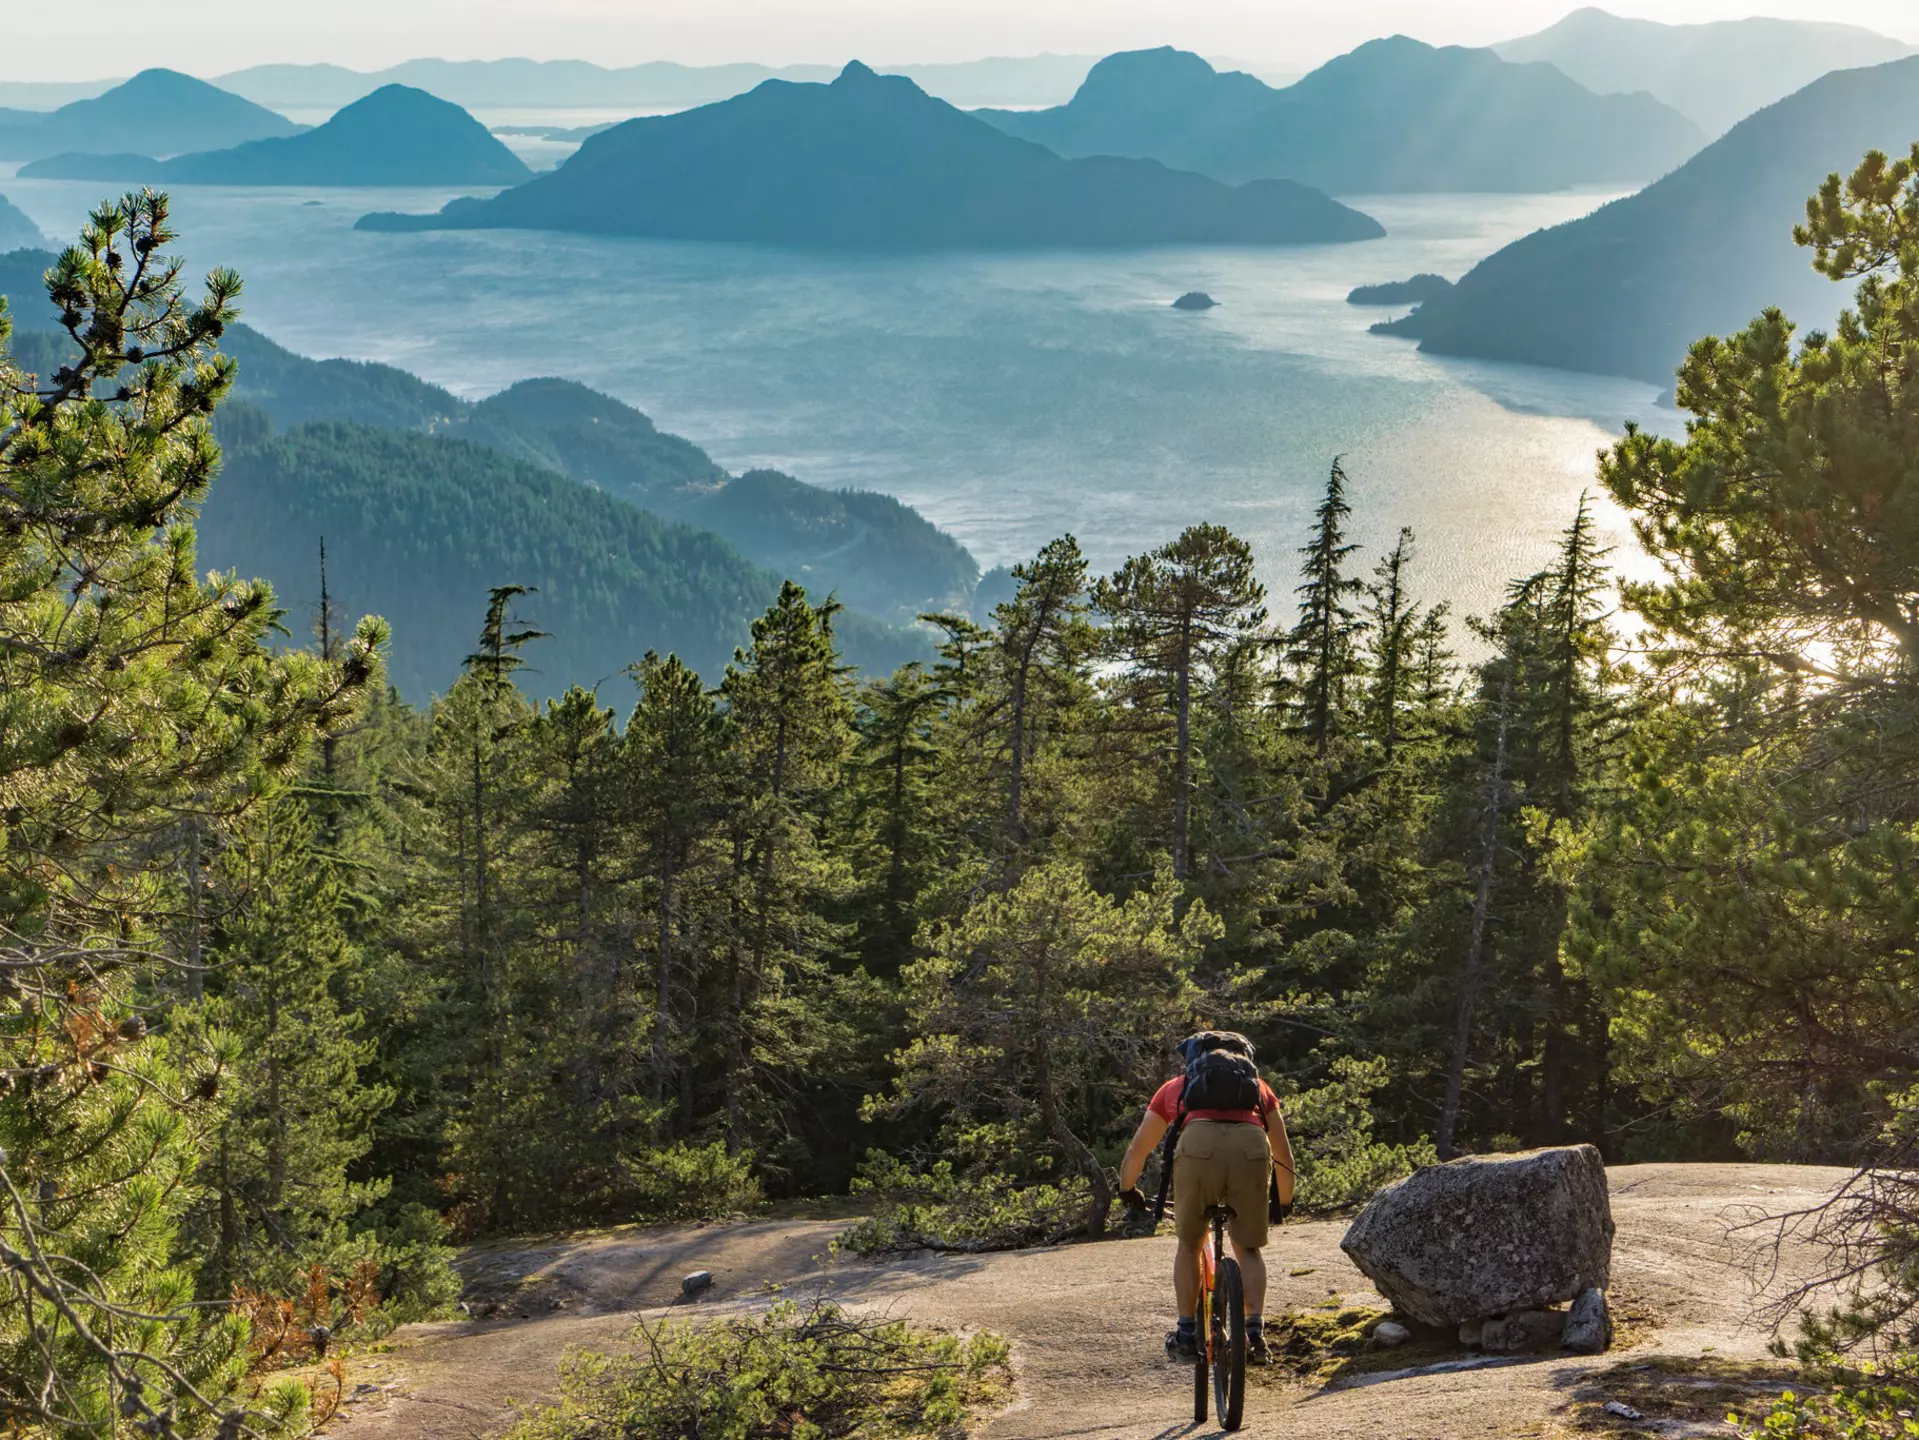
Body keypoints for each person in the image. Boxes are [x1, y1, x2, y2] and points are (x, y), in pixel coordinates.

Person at [1116, 1031, 1296, 1365]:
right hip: (1251, 1150)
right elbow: (1284, 1154)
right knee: (1249, 1248)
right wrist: (1283, 1202)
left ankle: (1187, 1334)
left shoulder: (1177, 1087)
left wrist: (1128, 1189)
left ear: (1192, 1057)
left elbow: (1139, 1149)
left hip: (1198, 1151)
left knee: (1189, 1242)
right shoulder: (1260, 1089)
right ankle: (1255, 1335)